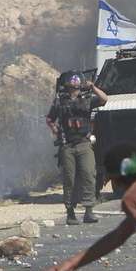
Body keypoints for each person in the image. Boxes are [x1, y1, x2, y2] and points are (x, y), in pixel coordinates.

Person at [46, 71, 108, 225]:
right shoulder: (60, 101)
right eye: (72, 84)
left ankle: (89, 211)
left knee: (88, 175)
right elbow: (50, 118)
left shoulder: (87, 100)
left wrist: (93, 87)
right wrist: (54, 129)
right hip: (67, 145)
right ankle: (70, 212)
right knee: (69, 179)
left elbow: (104, 99)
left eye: (77, 84)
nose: (75, 87)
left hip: (84, 143)